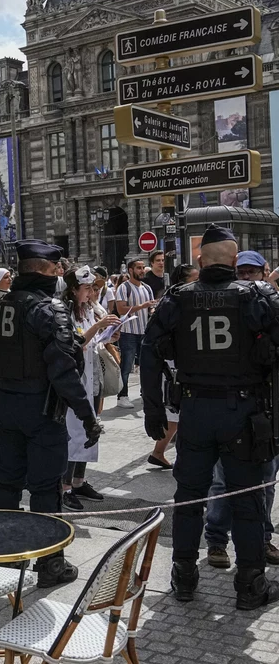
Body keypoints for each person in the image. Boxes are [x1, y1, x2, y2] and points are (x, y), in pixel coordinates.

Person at [141, 225, 279, 609]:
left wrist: (154, 410)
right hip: (244, 413)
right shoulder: (257, 297)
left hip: (195, 411)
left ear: (200, 260)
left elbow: (149, 353)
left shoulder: (176, 299)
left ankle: (184, 575)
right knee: (246, 500)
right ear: (235, 261)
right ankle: (250, 584)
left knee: (188, 497)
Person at [0, 240, 102, 588]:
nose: (60, 273)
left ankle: (7, 558)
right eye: (57, 268)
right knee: (46, 489)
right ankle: (49, 565)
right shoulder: (49, 310)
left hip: (7, 406)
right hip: (42, 412)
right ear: (45, 271)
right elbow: (63, 368)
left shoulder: (2, 307)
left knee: (8, 484)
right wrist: (87, 414)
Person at [202, 250, 279, 570]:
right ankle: (217, 541)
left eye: (252, 272)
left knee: (266, 479)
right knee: (222, 480)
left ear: (264, 272)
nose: (247, 277)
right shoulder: (224, 306)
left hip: (268, 412)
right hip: (230, 408)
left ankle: (262, 538)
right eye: (241, 272)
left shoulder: (271, 308)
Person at [59, 267, 119, 511]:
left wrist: (109, 332)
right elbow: (77, 342)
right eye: (87, 288)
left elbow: (96, 338)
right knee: (74, 433)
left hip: (92, 376)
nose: (92, 292)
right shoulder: (65, 312)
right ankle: (65, 488)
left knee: (90, 430)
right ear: (73, 290)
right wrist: (99, 326)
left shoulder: (89, 309)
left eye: (95, 289)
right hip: (76, 379)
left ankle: (79, 480)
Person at [148, 264, 199, 470]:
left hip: (180, 367)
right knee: (176, 414)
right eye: (194, 279)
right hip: (172, 369)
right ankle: (162, 453)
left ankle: (159, 453)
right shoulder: (172, 304)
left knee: (176, 417)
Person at [113, 258, 156, 409]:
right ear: (130, 270)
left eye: (143, 267)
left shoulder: (147, 288)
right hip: (128, 333)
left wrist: (152, 309)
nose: (142, 270)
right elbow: (121, 309)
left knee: (145, 365)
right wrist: (142, 306)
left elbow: (150, 307)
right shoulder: (124, 288)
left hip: (143, 332)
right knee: (126, 366)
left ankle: (144, 393)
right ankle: (122, 396)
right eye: (138, 268)